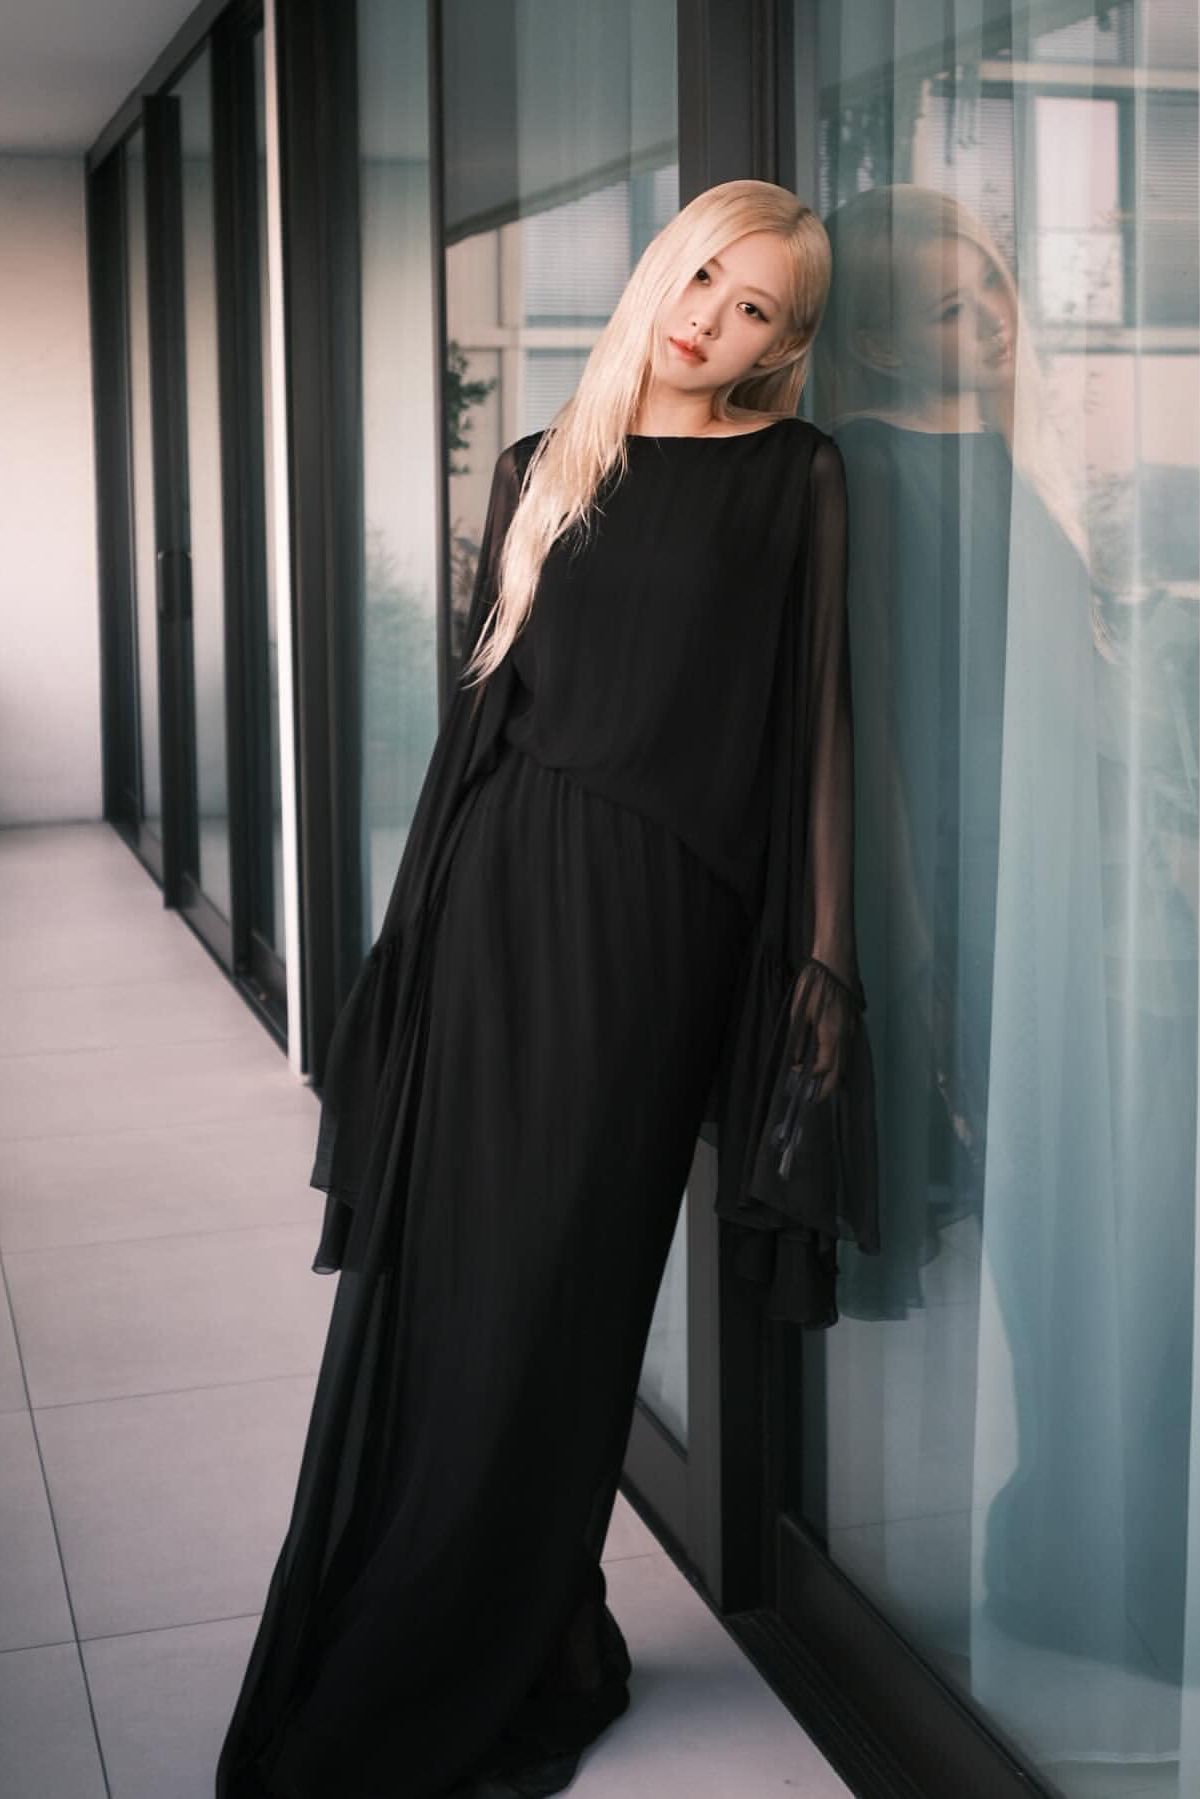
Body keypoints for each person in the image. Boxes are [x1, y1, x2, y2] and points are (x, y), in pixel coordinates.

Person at [216, 177, 878, 1799]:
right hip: (494, 908)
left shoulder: (797, 477)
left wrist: (820, 980)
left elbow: (815, 737)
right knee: (461, 1287)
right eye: (704, 276)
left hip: (656, 940)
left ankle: (510, 1628)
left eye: (756, 310)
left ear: (783, 346)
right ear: (665, 267)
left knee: (564, 1292)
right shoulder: (545, 460)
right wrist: (412, 952)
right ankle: (530, 1623)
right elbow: (479, 729)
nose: (711, 319)